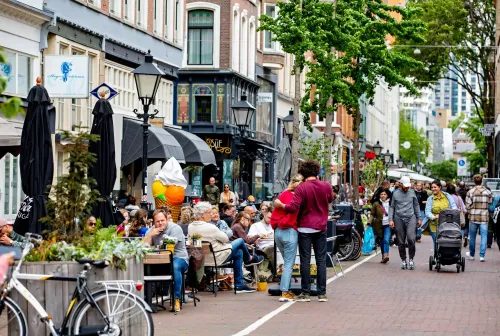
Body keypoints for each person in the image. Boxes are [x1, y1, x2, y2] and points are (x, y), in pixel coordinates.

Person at [274, 160, 333, 303]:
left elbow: (293, 207)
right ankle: (322, 293)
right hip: (321, 227)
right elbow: (330, 199)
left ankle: (305, 293)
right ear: (317, 171)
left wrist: (281, 205)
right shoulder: (326, 186)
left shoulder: (301, 188)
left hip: (305, 227)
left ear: (303, 173)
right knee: (320, 260)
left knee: (305, 260)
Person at [189, 202, 263, 293]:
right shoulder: (211, 227)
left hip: (201, 258)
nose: (211, 214)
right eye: (209, 212)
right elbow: (225, 238)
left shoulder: (191, 226)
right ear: (203, 215)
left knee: (239, 252)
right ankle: (248, 259)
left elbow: (193, 242)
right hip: (217, 256)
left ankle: (240, 284)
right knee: (240, 240)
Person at [144, 209, 188, 312]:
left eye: (162, 220)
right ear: (153, 222)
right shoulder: (151, 230)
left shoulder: (175, 228)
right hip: (159, 260)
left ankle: (176, 299)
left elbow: (170, 247)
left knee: (174, 266)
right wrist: (150, 235)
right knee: (145, 268)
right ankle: (147, 301)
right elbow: (143, 247)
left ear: (166, 219)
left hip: (179, 258)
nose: (160, 223)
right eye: (157, 221)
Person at [271, 174, 303, 302]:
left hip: (277, 230)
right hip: (290, 231)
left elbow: (276, 210)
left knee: (286, 262)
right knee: (289, 264)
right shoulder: (299, 197)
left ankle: (287, 289)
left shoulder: (283, 194)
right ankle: (285, 292)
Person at [388, 175, 421, 270]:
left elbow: (416, 205)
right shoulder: (395, 193)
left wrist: (419, 218)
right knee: (401, 241)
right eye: (405, 186)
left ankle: (411, 259)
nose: (407, 187)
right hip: (399, 218)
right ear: (400, 184)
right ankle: (403, 260)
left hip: (411, 217)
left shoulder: (412, 192)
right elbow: (392, 207)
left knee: (411, 239)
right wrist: (391, 219)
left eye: (408, 186)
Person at [465, 174, 492, 262]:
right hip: (484, 217)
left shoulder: (470, 191)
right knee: (484, 236)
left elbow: (467, 205)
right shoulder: (487, 192)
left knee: (472, 237)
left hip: (473, 217)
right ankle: (482, 256)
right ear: (482, 181)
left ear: (474, 181)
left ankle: (472, 255)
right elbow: (490, 203)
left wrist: (472, 208)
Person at [423, 180, 457, 247]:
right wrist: (433, 216)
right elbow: (427, 211)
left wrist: (450, 214)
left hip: (446, 223)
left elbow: (454, 207)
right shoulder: (430, 199)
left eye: (435, 187)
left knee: (446, 241)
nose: (433, 189)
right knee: (436, 241)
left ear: (440, 187)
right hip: (434, 224)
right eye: (432, 187)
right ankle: (436, 255)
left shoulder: (447, 196)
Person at [248, 207, 275, 273]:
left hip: (274, 245)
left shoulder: (273, 225)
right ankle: (276, 272)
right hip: (262, 248)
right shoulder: (256, 225)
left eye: (272, 218)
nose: (270, 220)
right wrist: (259, 235)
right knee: (270, 249)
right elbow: (249, 237)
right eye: (269, 217)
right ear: (264, 214)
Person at [370, 189, 392, 263]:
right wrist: (368, 223)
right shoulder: (376, 204)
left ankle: (386, 255)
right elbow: (372, 214)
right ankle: (383, 256)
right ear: (379, 195)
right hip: (379, 226)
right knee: (382, 242)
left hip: (388, 225)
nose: (383, 195)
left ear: (387, 195)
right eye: (381, 194)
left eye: (384, 194)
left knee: (386, 239)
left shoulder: (391, 203)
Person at [457, 181, 469, 246]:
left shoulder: (457, 193)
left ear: (459, 185)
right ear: (464, 186)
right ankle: (466, 235)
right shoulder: (467, 192)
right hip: (466, 209)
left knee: (461, 224)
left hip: (460, 210)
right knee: (466, 224)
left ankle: (461, 237)